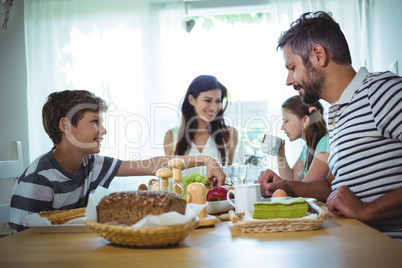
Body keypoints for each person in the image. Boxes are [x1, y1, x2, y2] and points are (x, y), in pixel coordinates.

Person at [258, 11, 402, 241]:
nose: (288, 80)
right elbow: (330, 186)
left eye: (292, 67)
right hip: (352, 245)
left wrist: (367, 210)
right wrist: (286, 185)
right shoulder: (338, 112)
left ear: (318, 55)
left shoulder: (381, 92)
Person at [10, 90, 226, 232]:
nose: (102, 130)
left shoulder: (91, 163)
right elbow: (24, 239)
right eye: (95, 122)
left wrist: (206, 159)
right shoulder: (39, 179)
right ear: (66, 127)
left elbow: (151, 164)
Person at [163, 75, 238, 177]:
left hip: (216, 193)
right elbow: (171, 176)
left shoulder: (229, 134)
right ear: (191, 100)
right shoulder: (171, 135)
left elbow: (228, 176)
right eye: (208, 100)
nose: (214, 107)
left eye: (218, 101)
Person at [276, 95, 330, 182]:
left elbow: (306, 188)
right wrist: (280, 153)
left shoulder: (324, 144)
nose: (282, 127)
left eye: (286, 121)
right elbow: (292, 179)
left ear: (305, 120)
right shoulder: (307, 148)